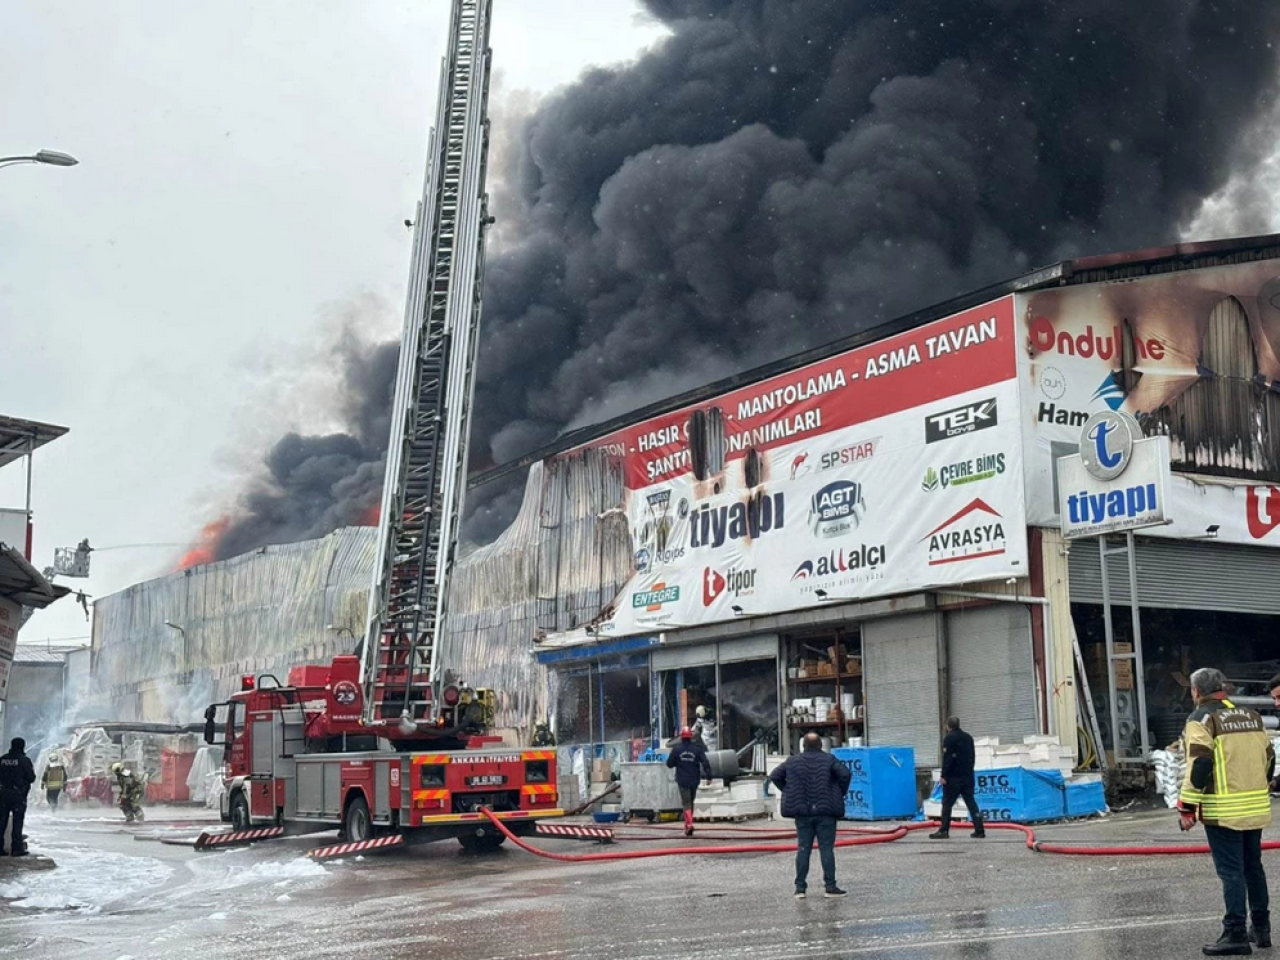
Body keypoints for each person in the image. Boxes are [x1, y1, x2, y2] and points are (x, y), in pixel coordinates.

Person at [1179, 667, 1274, 956]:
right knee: (1252, 868)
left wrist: (1187, 806)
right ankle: (1261, 929)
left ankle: (1234, 933)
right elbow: (1269, 758)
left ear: (1196, 692)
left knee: (1231, 872)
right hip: (1254, 805)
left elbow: (1200, 764)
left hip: (1223, 809)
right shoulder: (1252, 716)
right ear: (1223, 687)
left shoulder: (1201, 719)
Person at [768, 732, 851, 898]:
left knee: (803, 848)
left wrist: (789, 791)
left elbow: (775, 775)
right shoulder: (829, 759)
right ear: (821, 745)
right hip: (826, 812)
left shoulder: (792, 761)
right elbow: (845, 774)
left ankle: (800, 888)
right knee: (826, 848)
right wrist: (837, 792)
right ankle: (830, 887)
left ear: (803, 746)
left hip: (803, 812)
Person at [930, 716, 985, 839]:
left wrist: (944, 775)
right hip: (967, 776)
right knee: (971, 802)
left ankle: (944, 830)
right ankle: (979, 829)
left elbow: (948, 759)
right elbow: (972, 757)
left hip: (953, 778)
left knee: (947, 804)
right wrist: (969, 772)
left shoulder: (949, 738)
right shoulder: (968, 737)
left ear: (948, 726)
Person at [666, 727, 711, 836]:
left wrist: (678, 762)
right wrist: (709, 776)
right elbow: (705, 762)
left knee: (686, 803)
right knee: (690, 802)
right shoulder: (697, 749)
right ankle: (687, 825)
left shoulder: (677, 749)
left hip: (682, 780)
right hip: (694, 780)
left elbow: (669, 764)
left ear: (681, 737)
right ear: (691, 737)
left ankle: (689, 824)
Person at [0, 737, 35, 856]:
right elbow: (31, 778)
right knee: (17, 822)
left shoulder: (3, 759)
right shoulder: (24, 760)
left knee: (1, 821)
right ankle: (16, 848)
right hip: (18, 795)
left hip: (3, 794)